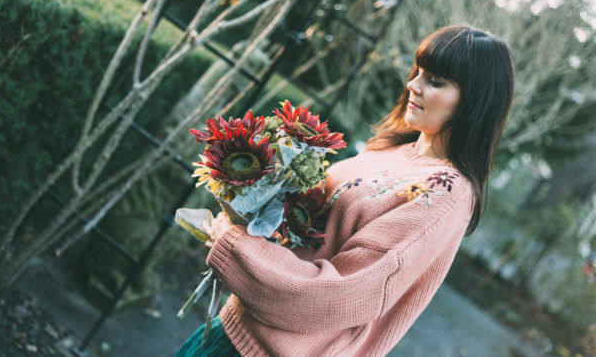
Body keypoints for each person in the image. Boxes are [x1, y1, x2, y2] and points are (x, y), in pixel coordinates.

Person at [175, 24, 515, 356]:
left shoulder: (444, 192)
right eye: (418, 72)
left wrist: (235, 242)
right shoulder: (392, 148)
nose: (413, 84)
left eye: (435, 81)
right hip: (236, 327)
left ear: (474, 101)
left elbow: (339, 294)